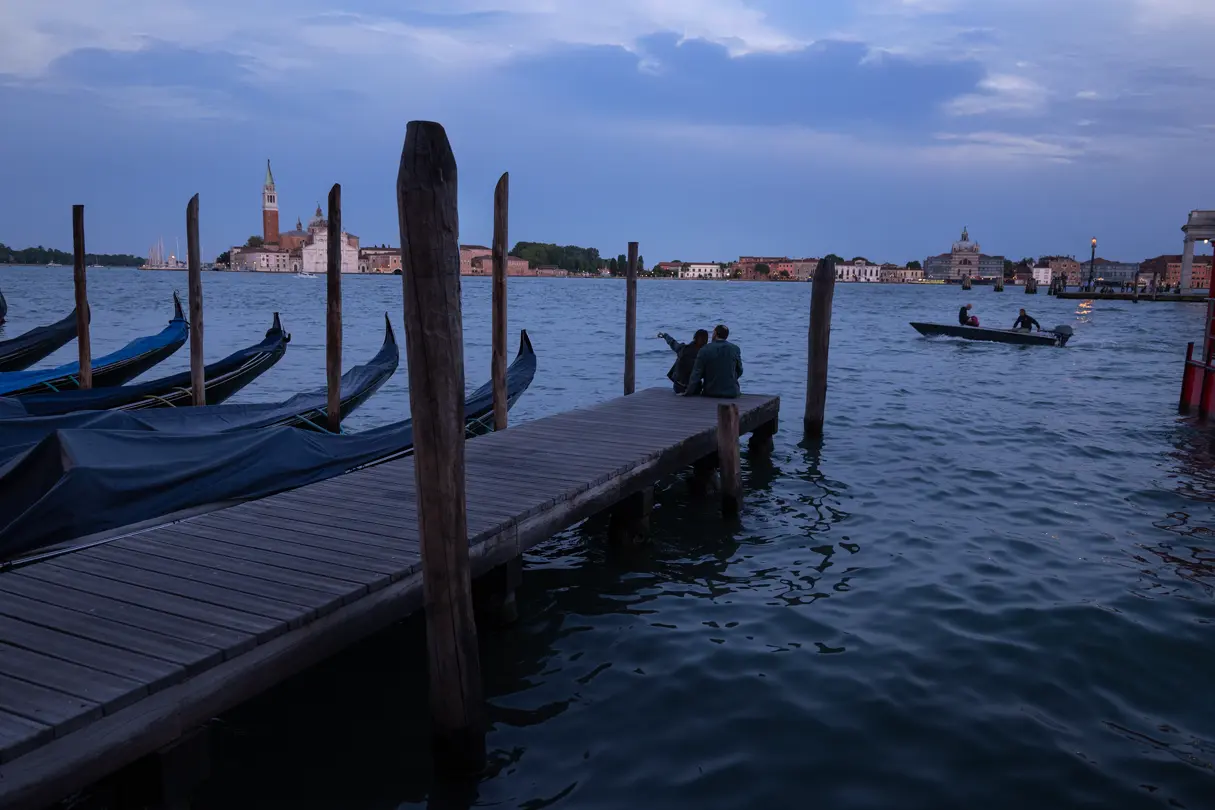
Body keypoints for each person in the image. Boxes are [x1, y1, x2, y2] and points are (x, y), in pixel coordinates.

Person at [685, 324, 743, 398]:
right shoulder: (735, 349)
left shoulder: (704, 349)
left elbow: (696, 374)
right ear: (726, 336)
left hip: (711, 392)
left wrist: (688, 392)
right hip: (732, 392)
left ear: (715, 333)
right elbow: (740, 370)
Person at [657, 329, 709, 394]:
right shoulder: (704, 355)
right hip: (695, 389)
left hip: (678, 387)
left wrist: (665, 335)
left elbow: (673, 343)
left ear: (694, 338)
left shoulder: (683, 348)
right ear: (706, 341)